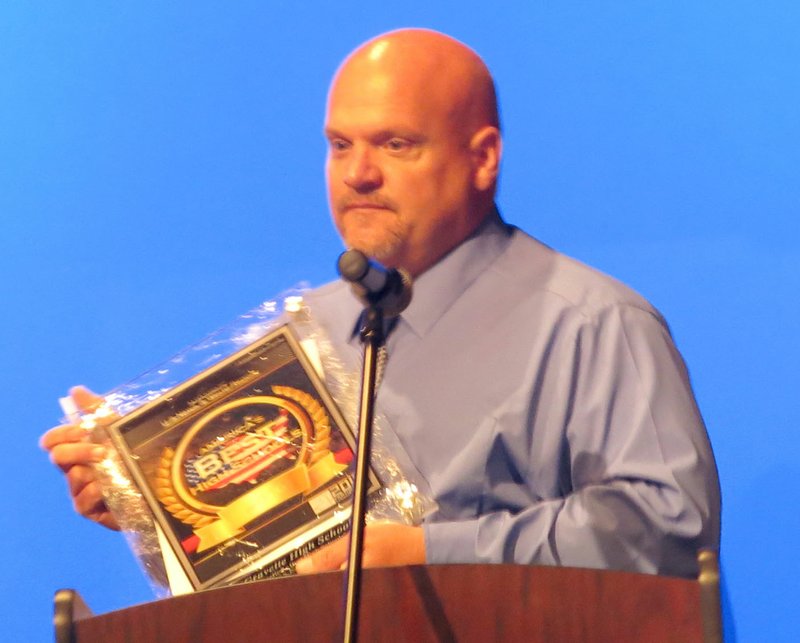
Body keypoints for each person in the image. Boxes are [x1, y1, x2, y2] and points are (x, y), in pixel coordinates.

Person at [40, 28, 720, 578]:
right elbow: (268, 556)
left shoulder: (592, 322)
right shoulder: (307, 332)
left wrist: (427, 553)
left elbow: (667, 527)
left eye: (396, 145)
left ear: (483, 158)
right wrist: (147, 498)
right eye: (341, 146)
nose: (359, 173)